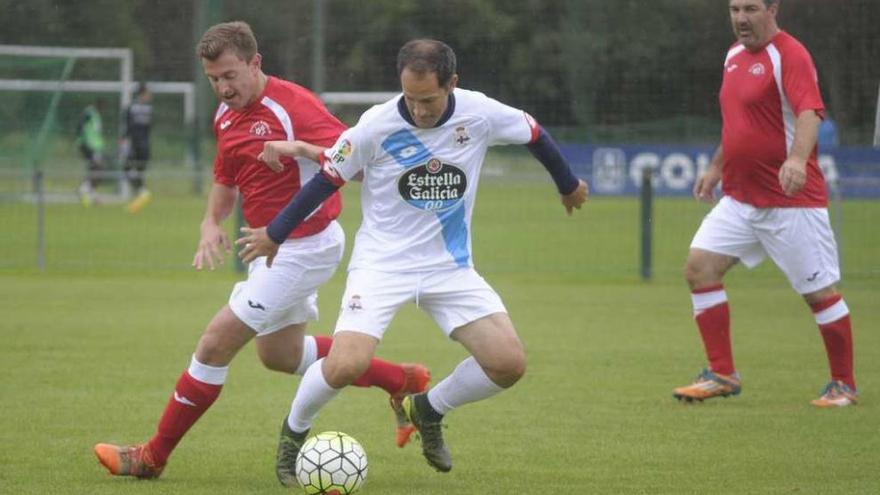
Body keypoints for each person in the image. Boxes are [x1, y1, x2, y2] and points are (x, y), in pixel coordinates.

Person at [93, 21, 430, 480]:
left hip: (305, 246)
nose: (222, 87)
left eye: (230, 75)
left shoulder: (296, 107)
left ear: (255, 63)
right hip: (273, 249)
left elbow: (364, 169)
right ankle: (401, 379)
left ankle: (152, 456)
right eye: (213, 79)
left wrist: (301, 149)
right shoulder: (225, 116)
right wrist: (210, 221)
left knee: (214, 345)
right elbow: (226, 176)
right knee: (280, 356)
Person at [237, 39, 588, 477]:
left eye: (429, 100)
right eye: (410, 99)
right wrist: (275, 233)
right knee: (347, 364)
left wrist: (567, 183)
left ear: (452, 84)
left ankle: (428, 409)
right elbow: (327, 180)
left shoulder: (479, 112)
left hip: (450, 266)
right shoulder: (374, 126)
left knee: (508, 364)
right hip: (381, 265)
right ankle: (293, 434)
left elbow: (534, 134)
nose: (419, 110)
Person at [673, 0, 858, 407]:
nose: (741, 18)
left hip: (790, 202)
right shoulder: (733, 56)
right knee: (699, 268)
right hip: (740, 200)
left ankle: (843, 384)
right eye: (734, 8)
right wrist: (716, 166)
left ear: (773, 9)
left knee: (820, 293)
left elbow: (810, 112)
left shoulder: (790, 54)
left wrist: (796, 159)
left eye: (751, 8)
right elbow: (738, 123)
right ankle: (722, 373)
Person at [121, 82, 154, 213]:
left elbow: (128, 128)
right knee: (138, 171)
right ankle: (141, 194)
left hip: (134, 145)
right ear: (142, 94)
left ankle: (142, 192)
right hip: (145, 145)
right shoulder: (149, 109)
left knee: (127, 169)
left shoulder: (130, 108)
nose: (150, 96)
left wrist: (124, 141)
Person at [76, 100, 106, 206]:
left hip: (95, 147)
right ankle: (83, 189)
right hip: (89, 146)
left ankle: (91, 193)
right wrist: (81, 140)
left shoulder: (96, 115)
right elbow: (80, 125)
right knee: (97, 168)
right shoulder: (89, 112)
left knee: (96, 169)